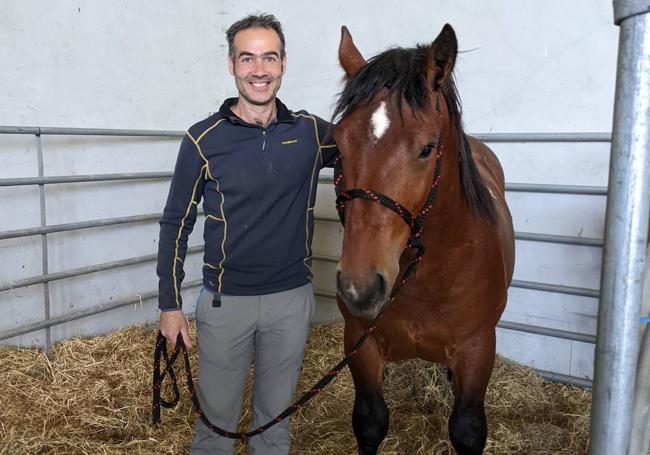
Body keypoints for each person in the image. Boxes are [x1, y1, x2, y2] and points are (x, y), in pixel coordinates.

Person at [156, 13, 337, 455]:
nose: (259, 70)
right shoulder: (202, 139)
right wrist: (169, 305)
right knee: (215, 431)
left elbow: (375, 147)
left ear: (284, 63)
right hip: (225, 303)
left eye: (269, 58)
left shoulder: (312, 132)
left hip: (292, 301)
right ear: (232, 65)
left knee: (274, 428)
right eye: (248, 58)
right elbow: (174, 223)